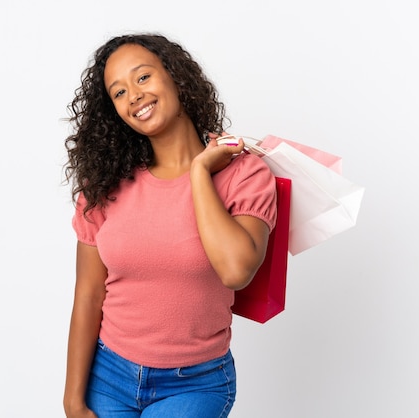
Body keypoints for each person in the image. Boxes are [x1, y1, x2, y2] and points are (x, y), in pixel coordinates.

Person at [62, 33, 277, 418]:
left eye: (143, 77)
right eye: (119, 92)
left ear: (176, 76)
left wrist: (199, 172)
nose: (134, 96)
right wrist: (73, 401)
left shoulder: (244, 175)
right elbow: (89, 294)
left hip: (195, 384)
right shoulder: (104, 184)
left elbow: (236, 270)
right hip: (108, 376)